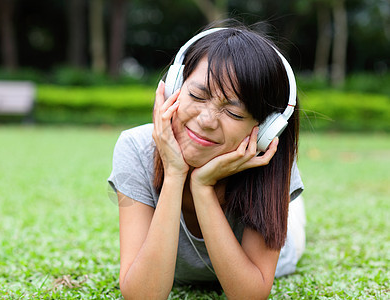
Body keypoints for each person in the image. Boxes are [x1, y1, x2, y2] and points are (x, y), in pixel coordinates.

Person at [108, 21, 306, 299]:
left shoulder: (266, 159)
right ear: (174, 86)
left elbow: (249, 295)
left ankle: (293, 208)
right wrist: (176, 173)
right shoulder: (136, 147)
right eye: (198, 95)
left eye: (235, 113)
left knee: (294, 222)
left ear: (265, 128)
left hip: (283, 247)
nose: (206, 121)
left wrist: (202, 187)